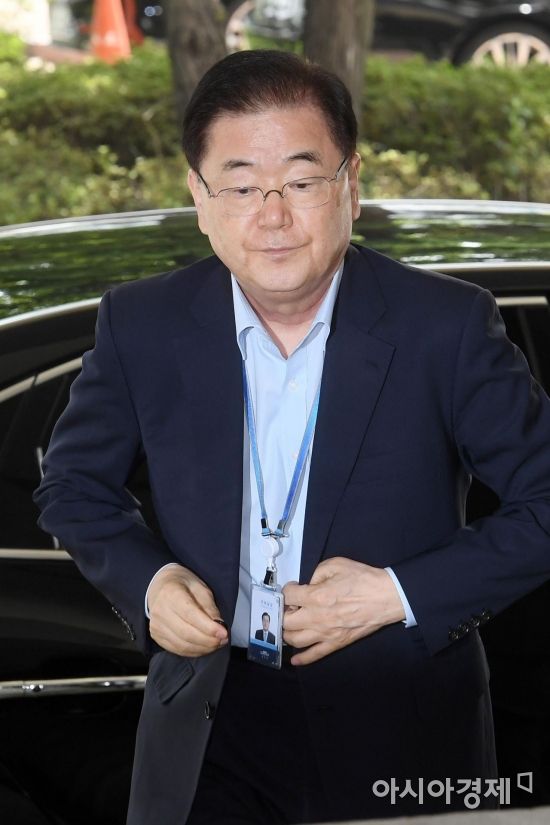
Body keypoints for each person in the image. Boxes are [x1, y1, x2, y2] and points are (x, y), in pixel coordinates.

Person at [34, 49, 550, 825]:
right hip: (209, 732)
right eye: (241, 186)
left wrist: (395, 594)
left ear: (351, 185)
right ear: (199, 197)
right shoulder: (142, 324)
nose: (272, 215)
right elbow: (72, 486)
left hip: (401, 730)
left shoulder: (443, 326)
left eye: (302, 182)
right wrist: (150, 583)